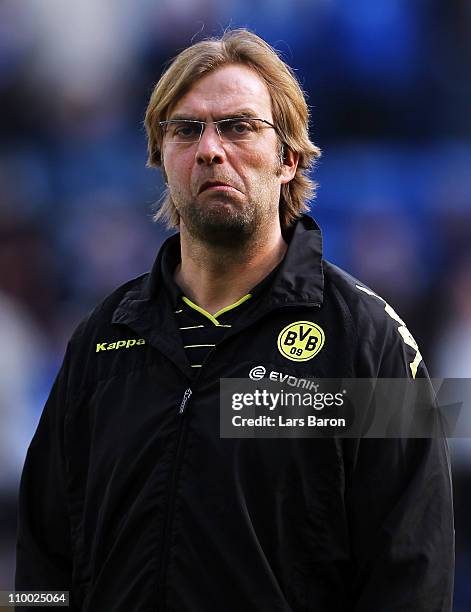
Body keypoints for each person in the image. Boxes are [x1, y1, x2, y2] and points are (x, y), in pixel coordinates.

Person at [16, 29, 454, 611]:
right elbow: (42, 564)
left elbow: (412, 572)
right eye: (187, 129)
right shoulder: (101, 339)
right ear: (161, 158)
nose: (210, 149)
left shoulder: (369, 339)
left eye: (239, 126)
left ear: (288, 160)